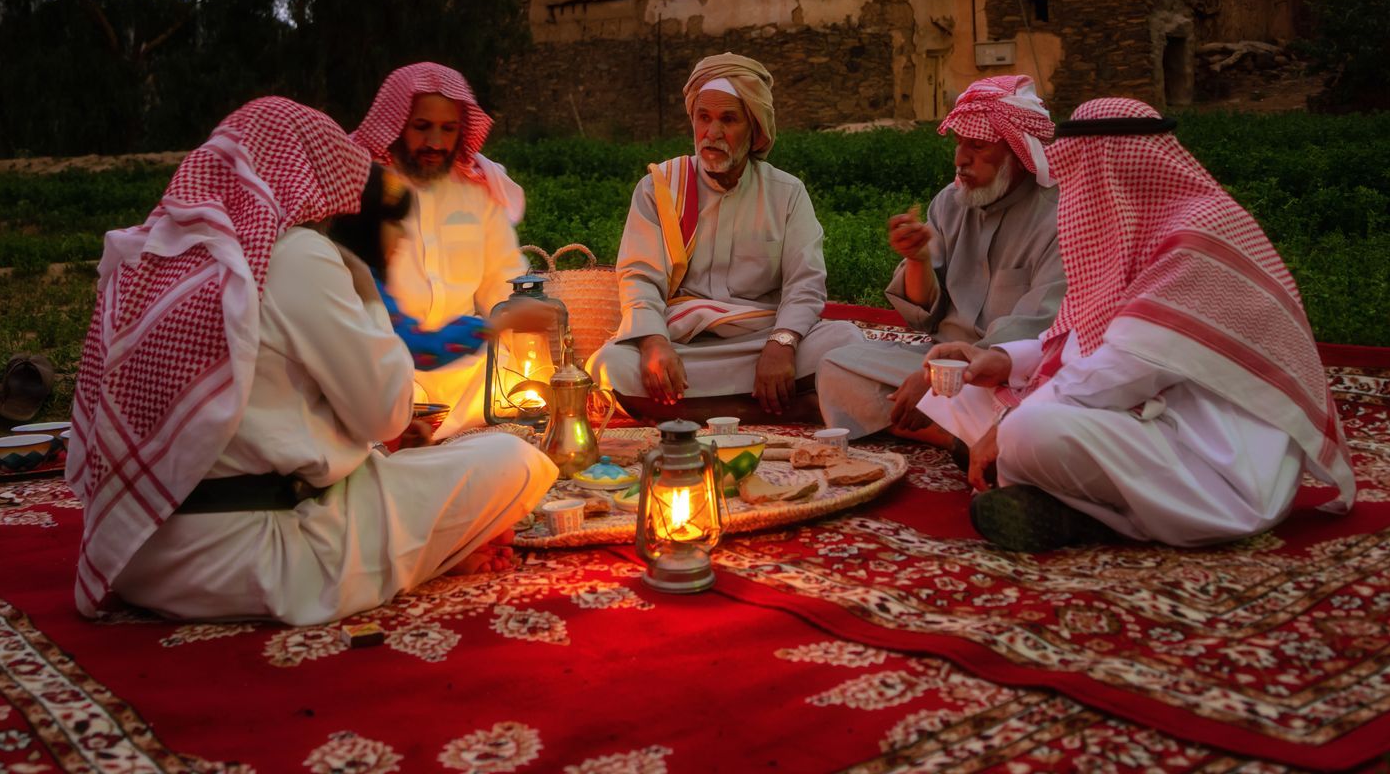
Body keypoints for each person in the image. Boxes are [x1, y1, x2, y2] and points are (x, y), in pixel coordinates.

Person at [67, 98, 555, 624]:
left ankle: (432, 546)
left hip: (138, 555)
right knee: (512, 459)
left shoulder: (146, 254)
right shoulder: (295, 254)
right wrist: (368, 281)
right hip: (259, 558)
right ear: (312, 175)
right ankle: (434, 552)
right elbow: (384, 414)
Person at [918, 97, 1356, 552]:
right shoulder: (1131, 228)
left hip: (1216, 464)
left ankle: (1085, 518)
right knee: (966, 390)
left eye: (1081, 173)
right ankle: (1064, 505)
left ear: (1111, 168)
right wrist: (1005, 361)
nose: (1071, 190)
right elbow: (1084, 334)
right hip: (1145, 415)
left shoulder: (1194, 233)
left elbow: (1127, 369)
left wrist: (1009, 422)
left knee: (1028, 431)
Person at [587, 53, 861, 419]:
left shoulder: (787, 193)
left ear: (755, 129)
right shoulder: (661, 188)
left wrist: (782, 345)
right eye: (704, 118)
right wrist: (654, 342)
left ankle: (695, 411)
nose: (712, 134)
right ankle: (778, 410)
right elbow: (639, 277)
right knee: (609, 365)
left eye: (728, 119)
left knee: (846, 342)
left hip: (760, 340)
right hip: (683, 344)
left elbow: (805, 283)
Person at [814, 75, 1064, 441]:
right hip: (935, 358)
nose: (961, 159)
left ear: (1019, 150)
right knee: (837, 364)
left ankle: (940, 428)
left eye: (978, 145)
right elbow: (921, 315)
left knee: (1043, 402)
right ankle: (954, 432)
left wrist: (938, 376)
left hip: (1007, 369)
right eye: (961, 143)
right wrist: (916, 260)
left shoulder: (1058, 217)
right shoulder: (950, 202)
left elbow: (1037, 331)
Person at [350, 62, 528, 438]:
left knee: (508, 384)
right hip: (390, 363)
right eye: (421, 127)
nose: (435, 143)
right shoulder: (362, 189)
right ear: (395, 123)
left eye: (448, 129)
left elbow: (505, 279)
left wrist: (529, 332)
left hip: (465, 364)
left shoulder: (478, 190)